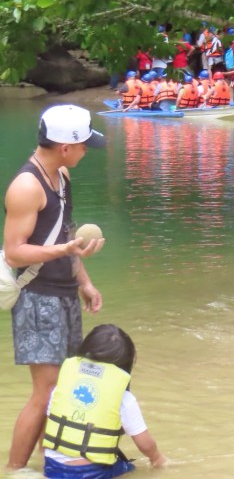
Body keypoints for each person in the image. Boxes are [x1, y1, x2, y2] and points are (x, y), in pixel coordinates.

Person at [4, 105, 106, 471]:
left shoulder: (61, 175)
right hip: (37, 297)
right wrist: (64, 251)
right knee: (45, 391)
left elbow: (65, 231)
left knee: (60, 388)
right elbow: (14, 252)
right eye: (83, 145)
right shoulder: (26, 187)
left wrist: (84, 281)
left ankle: (48, 462)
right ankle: (15, 470)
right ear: (65, 147)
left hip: (63, 291)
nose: (86, 151)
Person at [43, 324, 167, 477]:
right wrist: (157, 459)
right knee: (132, 469)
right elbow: (144, 444)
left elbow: (51, 422)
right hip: (91, 472)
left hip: (52, 467)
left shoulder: (63, 385)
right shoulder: (124, 398)